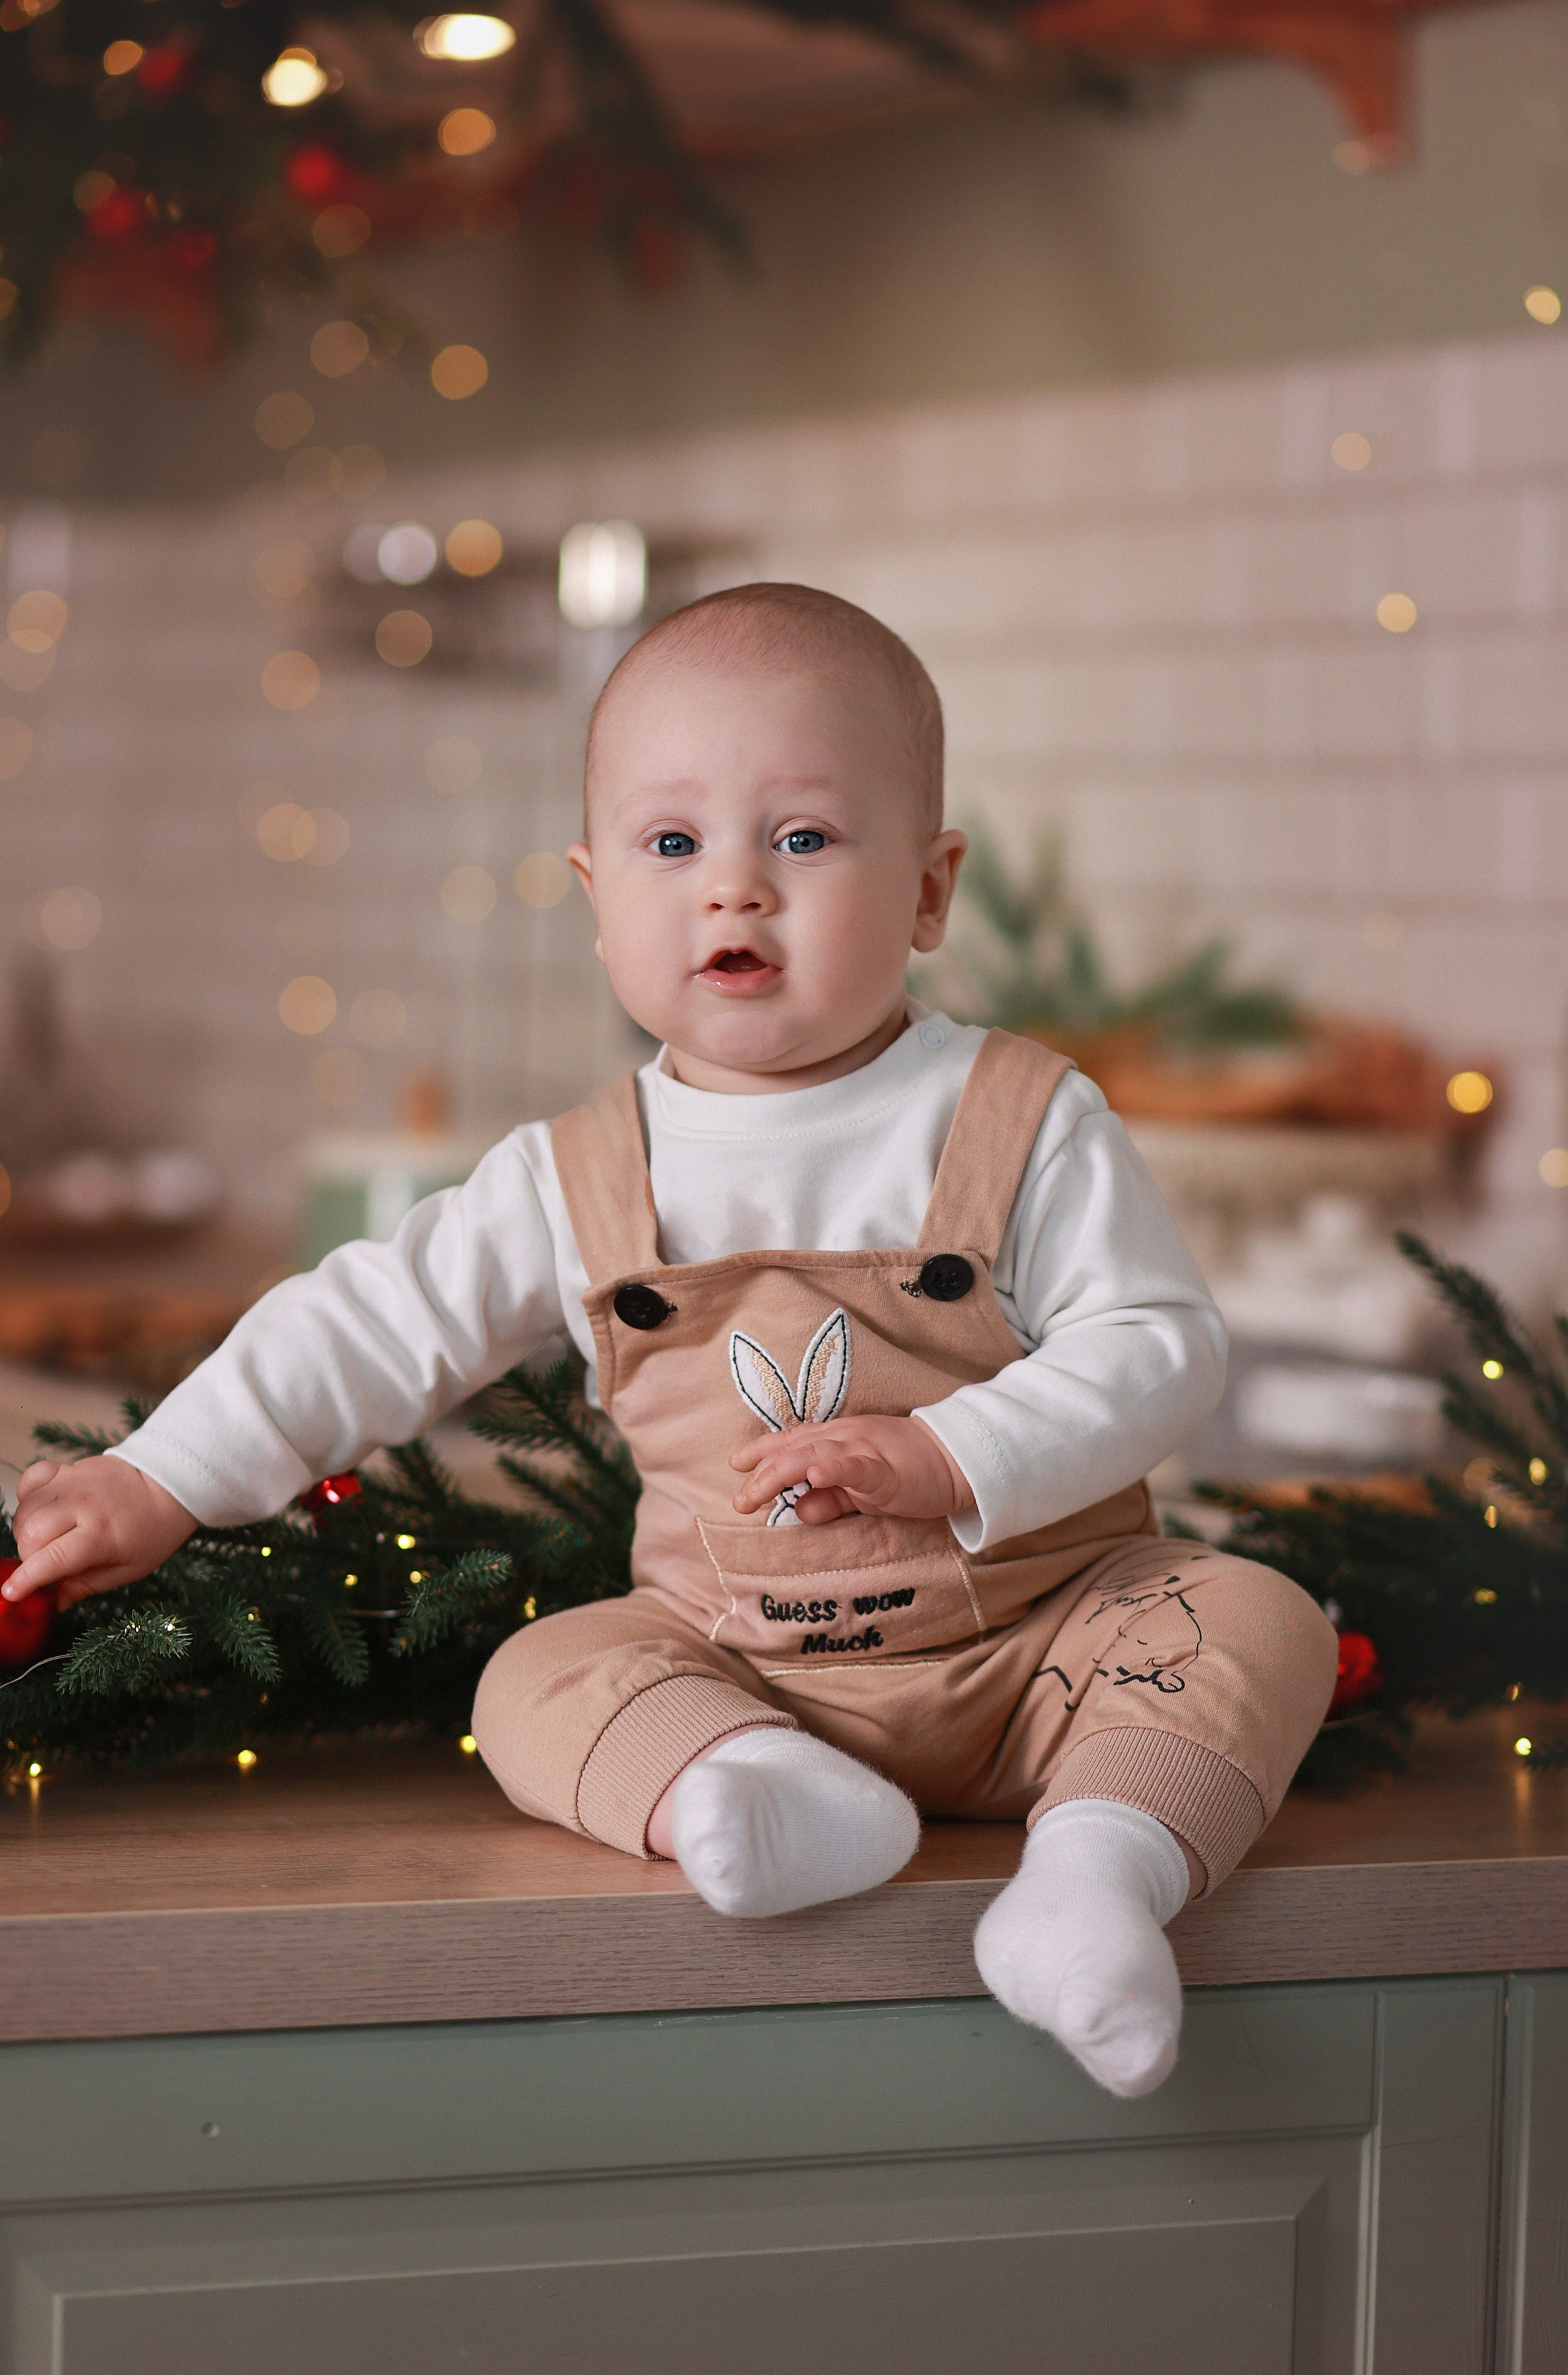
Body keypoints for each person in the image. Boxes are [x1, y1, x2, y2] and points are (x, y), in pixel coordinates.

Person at [1, 582, 1336, 2098]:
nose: (734, 892)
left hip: (1045, 1645)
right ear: (593, 894)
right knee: (535, 1679)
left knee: (1251, 1619)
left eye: (805, 839)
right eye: (671, 844)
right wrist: (163, 1476)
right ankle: (754, 1791)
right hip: (733, 1660)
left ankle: (1096, 1879)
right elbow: (366, 1324)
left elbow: (1157, 1344)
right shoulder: (578, 1172)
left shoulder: (1020, 1117)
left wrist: (947, 1453)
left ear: (927, 889)